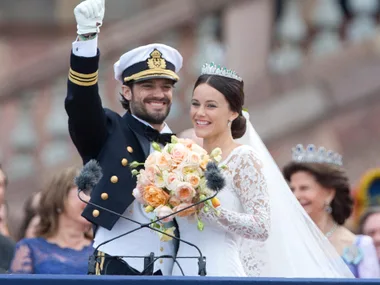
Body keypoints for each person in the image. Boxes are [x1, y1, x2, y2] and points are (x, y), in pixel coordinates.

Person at [171, 63, 354, 277]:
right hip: (180, 270)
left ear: (232, 112)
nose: (199, 113)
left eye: (211, 106)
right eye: (195, 104)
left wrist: (213, 212)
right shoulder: (183, 159)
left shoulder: (243, 159)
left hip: (219, 271)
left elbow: (261, 226)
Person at [65, 0, 183, 276]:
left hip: (174, 272)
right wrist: (86, 40)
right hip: (117, 269)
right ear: (127, 92)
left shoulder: (182, 148)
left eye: (166, 86)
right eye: (147, 86)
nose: (159, 93)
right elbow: (81, 104)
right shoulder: (108, 131)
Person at [283, 145, 380, 278]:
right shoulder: (290, 244)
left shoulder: (360, 245)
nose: (296, 195)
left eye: (304, 188)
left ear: (329, 193)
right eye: (293, 189)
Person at [8, 167, 93, 274]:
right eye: (84, 191)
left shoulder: (102, 252)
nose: (90, 199)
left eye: (93, 193)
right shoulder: (30, 249)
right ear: (60, 197)